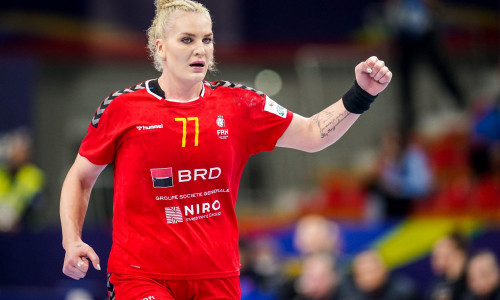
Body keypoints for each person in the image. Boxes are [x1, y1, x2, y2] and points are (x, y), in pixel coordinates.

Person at [59, 0, 393, 299]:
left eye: (207, 39)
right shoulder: (123, 108)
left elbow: (312, 134)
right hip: (141, 277)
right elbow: (81, 179)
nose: (200, 49)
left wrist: (361, 94)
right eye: (187, 40)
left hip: (217, 278)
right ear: (160, 47)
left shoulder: (241, 104)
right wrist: (71, 240)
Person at [345, 250, 420, 300]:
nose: (369, 278)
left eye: (372, 271)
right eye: (362, 274)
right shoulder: (350, 295)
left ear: (383, 270)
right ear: (356, 279)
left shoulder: (404, 293)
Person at [428, 232, 469, 300]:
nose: (435, 261)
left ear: (459, 255)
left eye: (440, 255)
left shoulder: (471, 279)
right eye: (435, 256)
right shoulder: (437, 284)